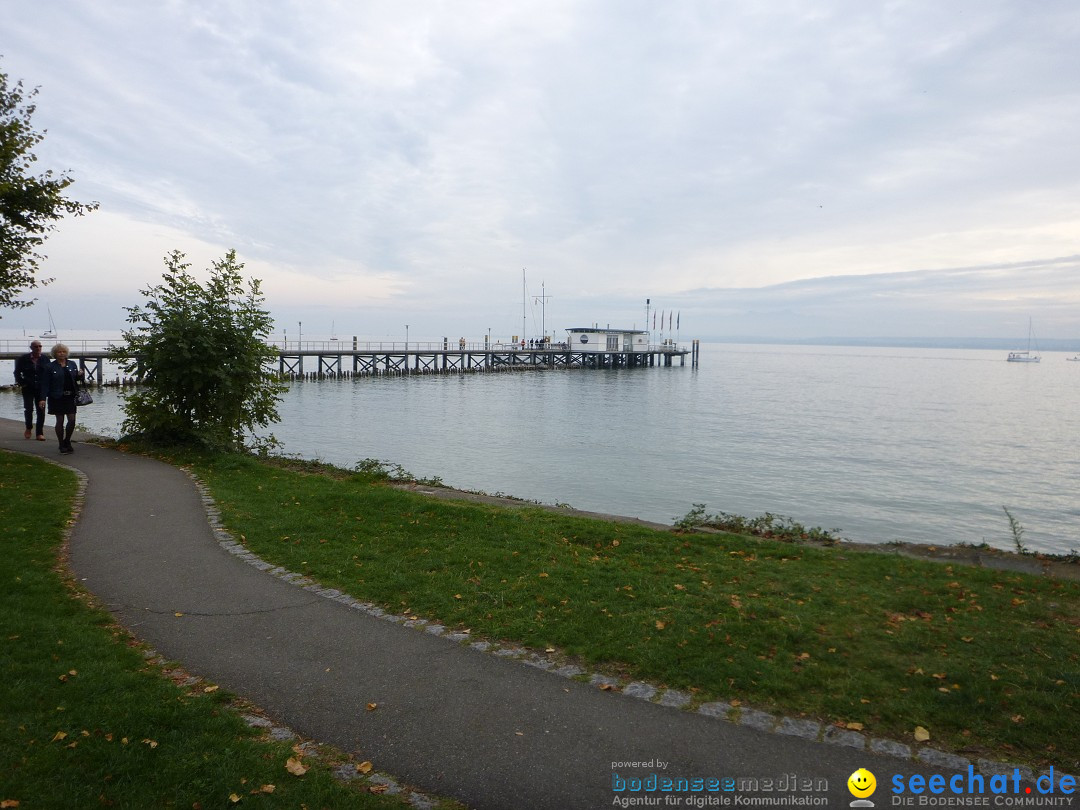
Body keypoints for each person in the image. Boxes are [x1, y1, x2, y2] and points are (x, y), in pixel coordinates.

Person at [36, 343, 86, 455]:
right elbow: (45, 384)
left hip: (70, 396)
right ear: (55, 354)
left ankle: (67, 440)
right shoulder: (50, 367)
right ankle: (61, 444)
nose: (62, 354)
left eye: (63, 352)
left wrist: (79, 375)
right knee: (60, 420)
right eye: (59, 352)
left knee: (72, 420)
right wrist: (42, 398)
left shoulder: (72, 364)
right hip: (56, 397)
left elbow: (75, 379)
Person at [14, 340, 47, 440]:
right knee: (28, 409)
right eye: (36, 346)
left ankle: (39, 433)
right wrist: (22, 383)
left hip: (41, 388)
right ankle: (28, 427)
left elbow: (48, 373)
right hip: (28, 387)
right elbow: (17, 372)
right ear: (31, 348)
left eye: (40, 346)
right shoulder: (24, 359)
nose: (38, 348)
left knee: (41, 410)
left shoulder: (45, 359)